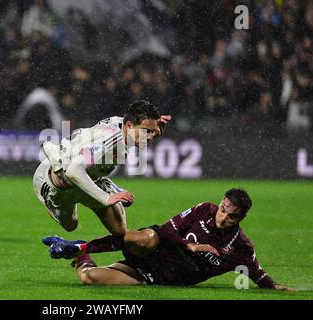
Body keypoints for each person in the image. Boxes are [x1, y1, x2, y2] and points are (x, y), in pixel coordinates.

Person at [43, 188, 295, 291]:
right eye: (222, 210)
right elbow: (166, 231)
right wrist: (190, 245)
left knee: (90, 278)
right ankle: (81, 244)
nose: (222, 218)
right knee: (149, 237)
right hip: (153, 251)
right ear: (219, 204)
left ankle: (80, 255)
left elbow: (258, 274)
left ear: (241, 218)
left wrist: (275, 288)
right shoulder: (204, 210)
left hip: (155, 277)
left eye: (231, 217)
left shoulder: (240, 247)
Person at [33, 99, 171, 235]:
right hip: (57, 184)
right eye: (146, 131)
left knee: (120, 230)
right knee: (71, 226)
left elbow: (141, 128)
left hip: (86, 177)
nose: (150, 137)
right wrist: (106, 198)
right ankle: (52, 203)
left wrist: (156, 130)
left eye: (152, 132)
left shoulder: (125, 127)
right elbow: (73, 171)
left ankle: (101, 182)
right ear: (128, 126)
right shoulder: (110, 139)